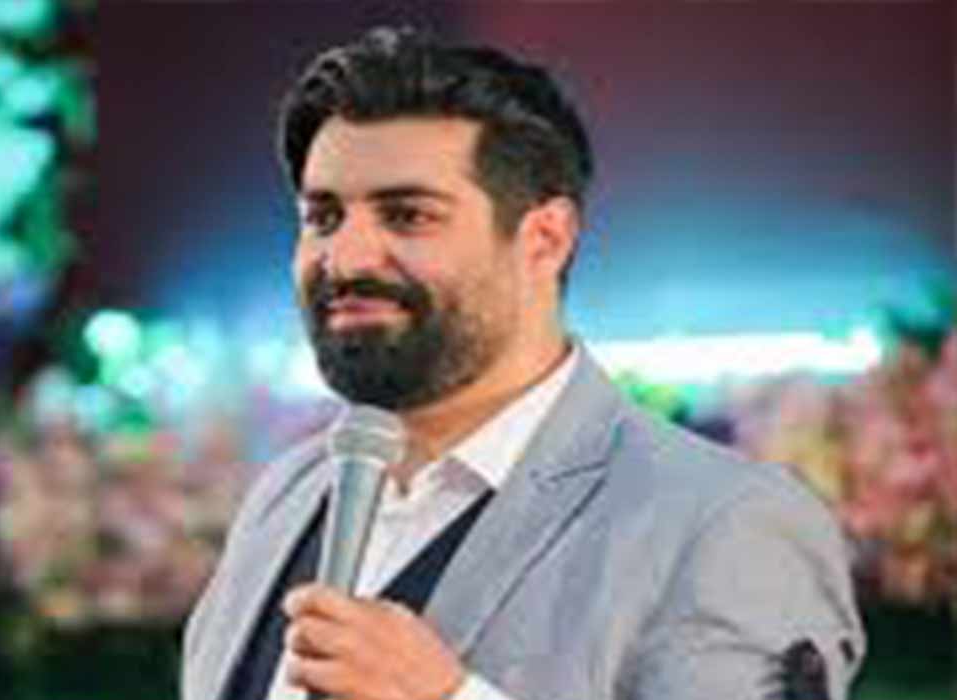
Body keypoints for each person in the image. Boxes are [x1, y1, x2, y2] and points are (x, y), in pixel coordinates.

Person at [181, 27, 864, 700]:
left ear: (545, 238)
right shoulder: (288, 494)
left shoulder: (724, 521)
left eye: (408, 215)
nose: (347, 258)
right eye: (324, 217)